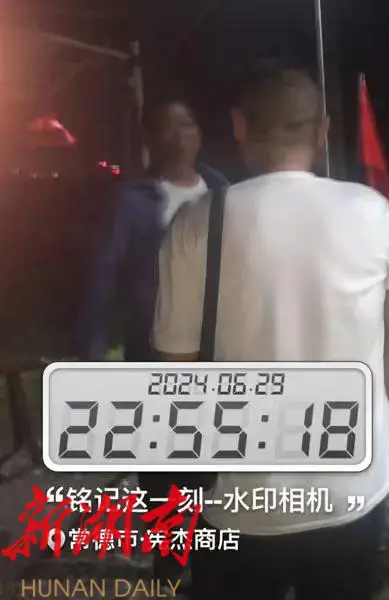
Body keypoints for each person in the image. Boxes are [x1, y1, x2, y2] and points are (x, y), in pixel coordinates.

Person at [152, 63, 389, 600]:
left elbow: (175, 369)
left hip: (240, 500)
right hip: (352, 489)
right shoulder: (369, 210)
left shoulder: (197, 221)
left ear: (238, 125)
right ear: (322, 130)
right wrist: (378, 407)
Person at [74, 95, 227, 584]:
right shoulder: (131, 200)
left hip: (217, 351)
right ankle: (169, 566)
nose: (180, 135)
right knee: (162, 467)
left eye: (188, 124)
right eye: (167, 126)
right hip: (153, 349)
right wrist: (92, 351)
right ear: (149, 139)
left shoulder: (222, 191)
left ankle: (212, 564)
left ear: (200, 134)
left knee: (216, 460)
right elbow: (103, 273)